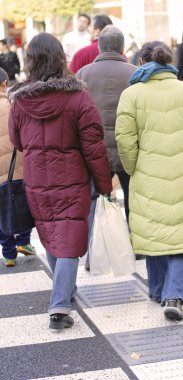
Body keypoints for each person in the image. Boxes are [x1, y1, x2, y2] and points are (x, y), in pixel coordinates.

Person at [8, 33, 112, 331]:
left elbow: (17, 141)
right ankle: (60, 304)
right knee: (68, 240)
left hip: (37, 181)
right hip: (72, 180)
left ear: (31, 61)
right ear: (59, 59)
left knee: (53, 237)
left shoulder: (20, 101)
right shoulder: (78, 97)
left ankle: (63, 289)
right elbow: (94, 146)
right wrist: (104, 185)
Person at [116, 41, 183, 320]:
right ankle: (176, 295)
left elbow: (124, 140)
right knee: (180, 233)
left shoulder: (131, 95)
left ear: (142, 61)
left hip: (146, 171)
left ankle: (158, 291)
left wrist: (133, 168)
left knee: (153, 231)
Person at [76, 25, 136, 270]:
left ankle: (93, 253)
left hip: (94, 151)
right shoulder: (135, 73)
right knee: (134, 199)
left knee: (92, 201)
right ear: (122, 48)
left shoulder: (82, 73)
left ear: (99, 46)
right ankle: (137, 248)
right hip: (127, 149)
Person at [0, 68, 36, 267]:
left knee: (1, 211)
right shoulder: (12, 104)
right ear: (5, 84)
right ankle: (23, 240)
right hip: (17, 166)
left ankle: (8, 253)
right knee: (23, 201)